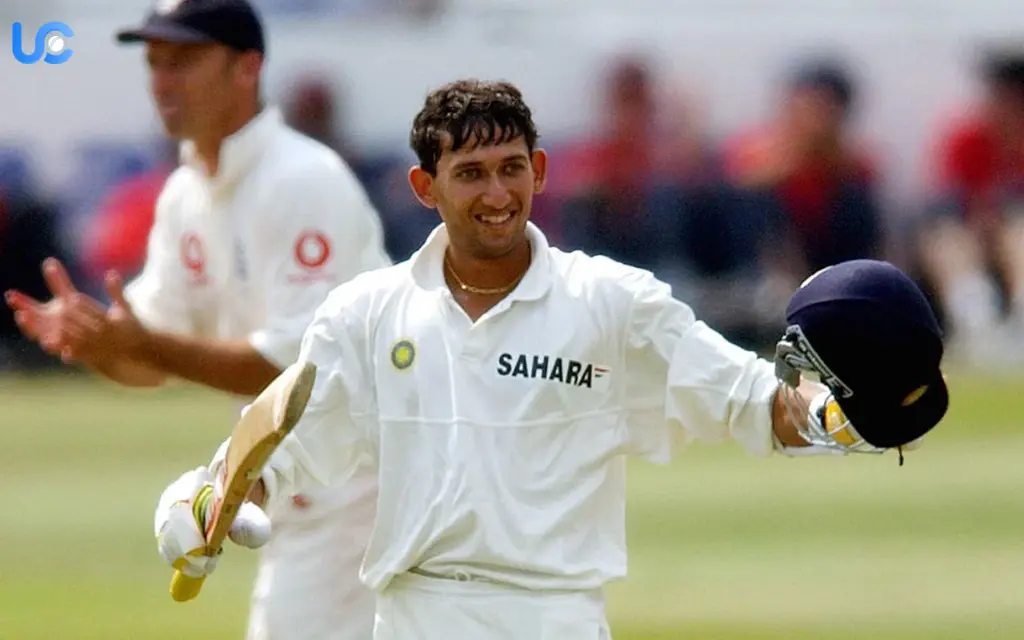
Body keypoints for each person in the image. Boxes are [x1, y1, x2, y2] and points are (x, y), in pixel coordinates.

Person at [153, 79, 949, 639]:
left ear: (538, 170)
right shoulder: (365, 313)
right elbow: (283, 446)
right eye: (469, 174)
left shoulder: (612, 301)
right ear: (425, 186)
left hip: (557, 619)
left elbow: (750, 402)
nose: (496, 194)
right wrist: (203, 499)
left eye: (510, 169)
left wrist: (844, 416)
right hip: (411, 618)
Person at [3, 1, 390, 638]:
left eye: (183, 61)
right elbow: (148, 356)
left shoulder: (301, 180)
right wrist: (90, 343)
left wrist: (143, 345)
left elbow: (296, 373)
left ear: (247, 68)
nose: (162, 80)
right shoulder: (186, 193)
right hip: (301, 484)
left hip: (368, 485)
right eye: (155, 63)